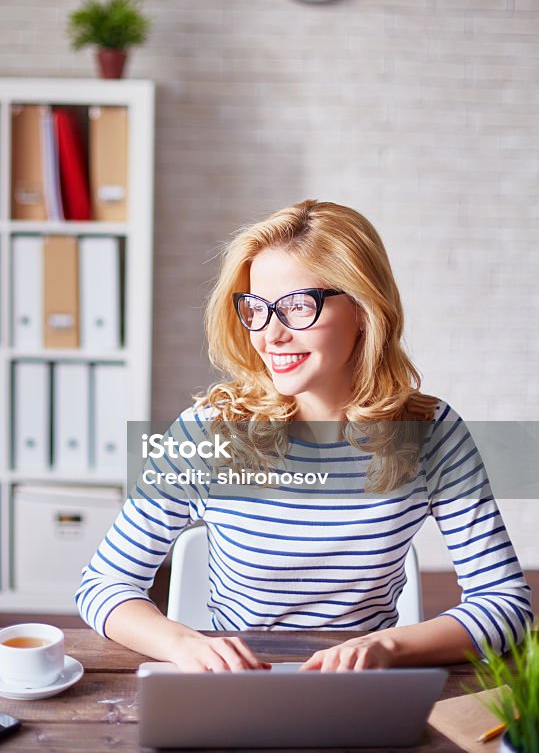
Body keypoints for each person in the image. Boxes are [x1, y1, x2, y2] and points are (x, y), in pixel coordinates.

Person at [76, 199, 533, 671]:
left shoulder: (432, 434)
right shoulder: (208, 430)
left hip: (361, 692)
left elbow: (504, 602)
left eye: (297, 307)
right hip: (240, 688)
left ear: (363, 309)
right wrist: (181, 643)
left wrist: (388, 646)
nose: (269, 335)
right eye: (257, 308)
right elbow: (103, 584)